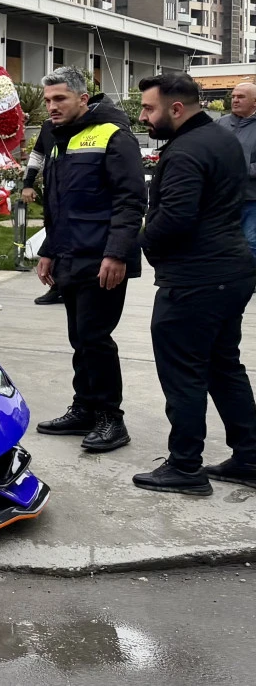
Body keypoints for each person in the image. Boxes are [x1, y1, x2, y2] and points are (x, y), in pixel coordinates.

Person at [134, 72, 256, 495]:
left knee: (184, 372)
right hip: (231, 270)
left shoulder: (184, 152)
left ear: (177, 108)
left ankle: (186, 466)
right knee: (224, 365)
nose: (144, 116)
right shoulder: (222, 138)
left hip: (196, 279)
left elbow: (176, 218)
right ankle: (250, 457)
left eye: (150, 109)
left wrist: (141, 242)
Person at [34, 68, 146, 454]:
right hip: (69, 255)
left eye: (60, 99)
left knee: (96, 338)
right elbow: (59, 204)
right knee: (79, 337)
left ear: (83, 99)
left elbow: (131, 201)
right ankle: (84, 407)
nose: (52, 107)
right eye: (48, 100)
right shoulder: (56, 138)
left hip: (102, 259)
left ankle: (111, 419)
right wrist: (48, 249)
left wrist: (115, 254)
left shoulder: (114, 135)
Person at [22, 118, 61, 305]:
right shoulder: (48, 126)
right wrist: (27, 184)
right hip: (52, 190)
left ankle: (64, 286)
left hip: (74, 192)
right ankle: (57, 286)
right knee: (52, 232)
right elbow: (37, 155)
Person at [215, 81, 256, 258]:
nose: (235, 100)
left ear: (255, 102)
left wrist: (239, 169)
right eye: (233, 96)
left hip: (252, 199)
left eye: (241, 97)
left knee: (251, 243)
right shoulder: (219, 124)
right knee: (222, 243)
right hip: (222, 198)